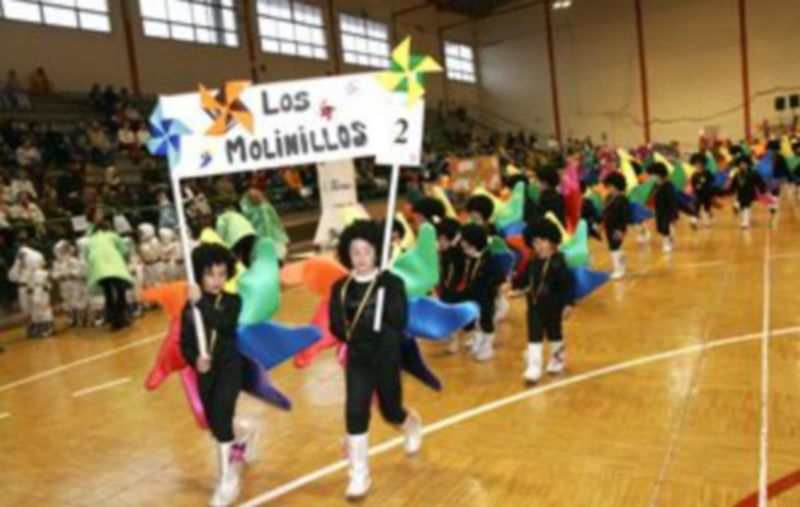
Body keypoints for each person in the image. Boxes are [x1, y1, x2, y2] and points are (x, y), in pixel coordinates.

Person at [329, 220, 422, 499]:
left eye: (366, 251)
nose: (360, 258)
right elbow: (336, 324)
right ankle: (359, 474)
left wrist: (387, 291)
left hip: (387, 355)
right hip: (358, 357)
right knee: (355, 411)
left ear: (377, 252)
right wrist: (353, 335)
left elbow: (400, 319)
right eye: (355, 252)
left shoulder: (391, 282)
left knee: (390, 410)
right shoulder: (341, 287)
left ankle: (410, 423)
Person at [180, 243, 259, 507]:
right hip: (207, 374)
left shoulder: (232, 302)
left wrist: (200, 301)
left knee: (222, 418)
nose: (216, 280)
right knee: (216, 424)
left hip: (229, 370)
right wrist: (195, 360)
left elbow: (224, 324)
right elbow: (185, 343)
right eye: (210, 274)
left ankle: (228, 481)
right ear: (199, 276)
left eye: (222, 274)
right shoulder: (189, 309)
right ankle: (245, 433)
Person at [522, 219, 574, 384]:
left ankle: (558, 359)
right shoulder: (532, 262)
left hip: (554, 304)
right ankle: (534, 366)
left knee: (554, 333)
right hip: (534, 305)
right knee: (534, 334)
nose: (539, 246)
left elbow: (567, 285)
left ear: (552, 241)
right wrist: (512, 284)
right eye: (535, 242)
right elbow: (524, 279)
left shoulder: (558, 262)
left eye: (543, 241)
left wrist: (568, 304)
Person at [460, 223, 505, 362]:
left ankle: (487, 346)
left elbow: (499, 276)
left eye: (464, 240)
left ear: (473, 242)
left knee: (486, 320)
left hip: (486, 296)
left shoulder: (489, 259)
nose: (461, 242)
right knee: (474, 318)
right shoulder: (468, 257)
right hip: (472, 293)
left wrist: (491, 289)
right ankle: (477, 338)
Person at [85, 210, 134, 331]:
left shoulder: (90, 239)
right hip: (115, 266)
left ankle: (111, 319)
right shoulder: (113, 236)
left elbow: (86, 255)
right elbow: (124, 251)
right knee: (120, 291)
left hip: (99, 269)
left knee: (108, 293)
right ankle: (120, 319)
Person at [436, 217, 466, 354]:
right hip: (445, 287)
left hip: (456, 288)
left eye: (441, 239)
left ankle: (454, 340)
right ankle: (451, 337)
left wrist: (452, 288)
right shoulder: (443, 252)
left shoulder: (457, 253)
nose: (439, 242)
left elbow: (457, 274)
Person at [52, 240, 88, 327]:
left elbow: (81, 272)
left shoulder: (74, 261)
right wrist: (60, 275)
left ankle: (82, 318)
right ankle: (71, 318)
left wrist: (71, 273)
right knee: (67, 302)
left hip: (75, 284)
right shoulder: (57, 263)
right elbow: (54, 274)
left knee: (78, 300)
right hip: (64, 285)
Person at [602, 172, 630, 280]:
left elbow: (625, 216)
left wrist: (621, 230)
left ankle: (618, 269)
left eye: (611, 186)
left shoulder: (622, 199)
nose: (609, 189)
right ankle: (621, 258)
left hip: (617, 228)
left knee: (613, 247)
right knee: (613, 246)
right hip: (609, 227)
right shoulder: (608, 197)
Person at [730, 155, 766, 230]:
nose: (742, 165)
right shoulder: (737, 174)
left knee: (746, 206)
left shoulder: (753, 173)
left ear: (748, 164)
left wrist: (762, 190)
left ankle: (745, 222)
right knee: (743, 206)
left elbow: (760, 182)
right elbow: (733, 185)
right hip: (740, 194)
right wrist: (730, 191)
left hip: (750, 193)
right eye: (741, 164)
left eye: (744, 163)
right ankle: (737, 206)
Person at [650, 162, 678, 253]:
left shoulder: (668, 185)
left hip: (667, 210)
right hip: (658, 209)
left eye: (654, 174)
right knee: (660, 228)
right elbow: (653, 196)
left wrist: (674, 214)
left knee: (666, 226)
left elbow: (672, 200)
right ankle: (669, 239)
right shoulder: (655, 185)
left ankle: (666, 243)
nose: (653, 176)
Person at [689, 152, 716, 228]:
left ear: (703, 164)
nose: (698, 165)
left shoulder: (707, 173)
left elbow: (712, 181)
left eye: (699, 163)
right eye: (696, 164)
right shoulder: (694, 174)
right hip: (698, 194)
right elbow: (693, 184)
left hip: (707, 193)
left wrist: (711, 191)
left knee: (706, 207)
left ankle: (707, 222)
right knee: (696, 207)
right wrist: (695, 189)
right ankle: (694, 222)